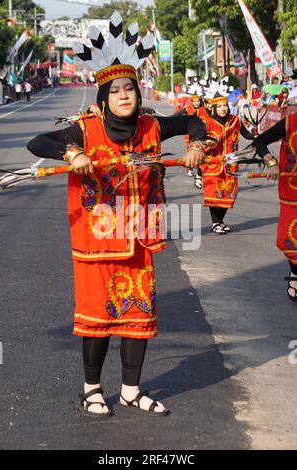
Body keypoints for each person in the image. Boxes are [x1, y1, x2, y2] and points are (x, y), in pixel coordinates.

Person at [26, 11, 207, 418]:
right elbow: (38, 142)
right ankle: (91, 389)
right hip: (96, 244)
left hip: (138, 238)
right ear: (104, 98)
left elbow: (194, 120)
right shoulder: (86, 129)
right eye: (115, 91)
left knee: (138, 316)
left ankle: (130, 390)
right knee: (96, 320)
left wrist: (197, 144)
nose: (124, 96)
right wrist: (72, 154)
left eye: (130, 89)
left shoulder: (152, 127)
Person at [199, 77, 254, 234]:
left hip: (231, 163)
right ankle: (215, 222)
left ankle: (219, 221)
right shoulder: (208, 123)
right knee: (213, 195)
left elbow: (246, 135)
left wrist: (255, 134)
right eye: (220, 106)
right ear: (214, 107)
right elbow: (199, 141)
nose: (223, 108)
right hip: (212, 164)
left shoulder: (235, 120)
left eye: (225, 105)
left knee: (229, 194)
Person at [253, 113, 297, 302]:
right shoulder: (291, 121)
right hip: (292, 193)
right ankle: (295, 273)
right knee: (289, 238)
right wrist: (271, 162)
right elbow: (259, 141)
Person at [174, 79, 204, 188]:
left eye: (198, 101)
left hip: (201, 135)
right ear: (191, 101)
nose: (196, 103)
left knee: (200, 153)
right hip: (190, 135)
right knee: (190, 152)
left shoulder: (204, 109)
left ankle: (199, 175)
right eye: (194, 101)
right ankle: (190, 167)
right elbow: (176, 115)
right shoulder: (187, 108)